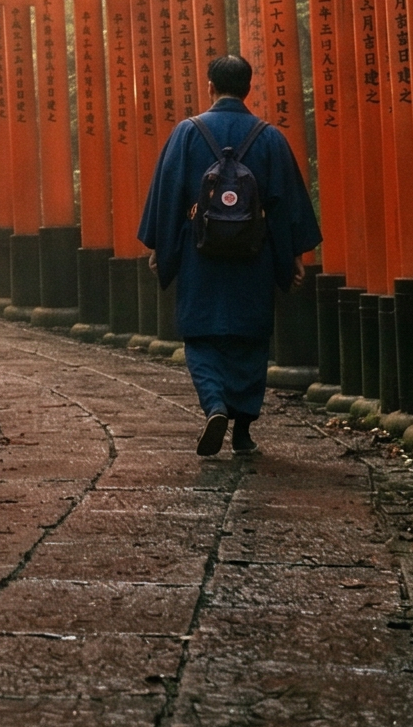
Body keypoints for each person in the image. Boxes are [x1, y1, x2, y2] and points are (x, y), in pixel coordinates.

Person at [136, 52, 323, 457]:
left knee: (201, 335)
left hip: (199, 255)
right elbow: (286, 202)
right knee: (250, 338)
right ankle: (242, 431)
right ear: (248, 88)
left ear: (210, 87)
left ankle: (214, 405)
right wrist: (292, 256)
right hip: (253, 256)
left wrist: (159, 247)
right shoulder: (269, 137)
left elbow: (168, 195)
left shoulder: (187, 134)